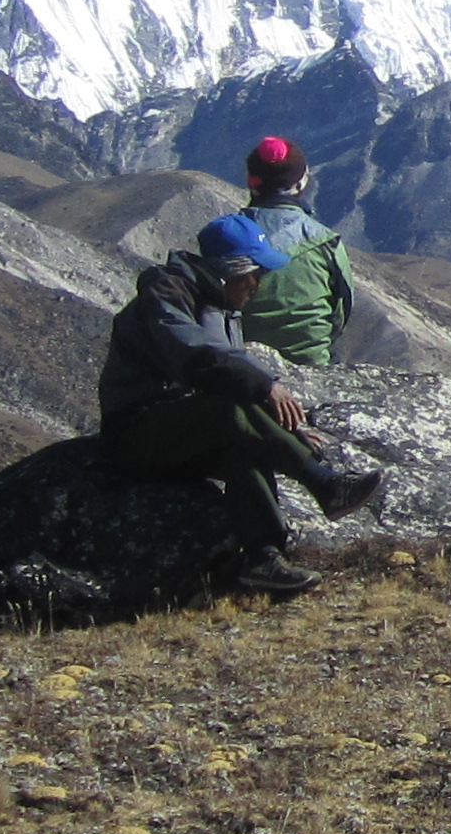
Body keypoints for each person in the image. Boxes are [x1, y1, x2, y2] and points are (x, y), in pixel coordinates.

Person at [98, 213, 385, 595]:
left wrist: (285, 432)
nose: (259, 283)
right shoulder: (168, 295)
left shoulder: (218, 304)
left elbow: (228, 379)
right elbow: (196, 356)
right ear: (230, 272)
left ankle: (263, 558)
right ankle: (324, 484)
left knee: (244, 448)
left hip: (181, 431)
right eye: (256, 273)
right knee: (227, 410)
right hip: (136, 431)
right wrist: (265, 387)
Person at [232, 135, 361, 366]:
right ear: (302, 182)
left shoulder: (226, 238)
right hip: (310, 362)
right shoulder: (326, 242)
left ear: (251, 181)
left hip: (240, 364)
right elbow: (340, 311)